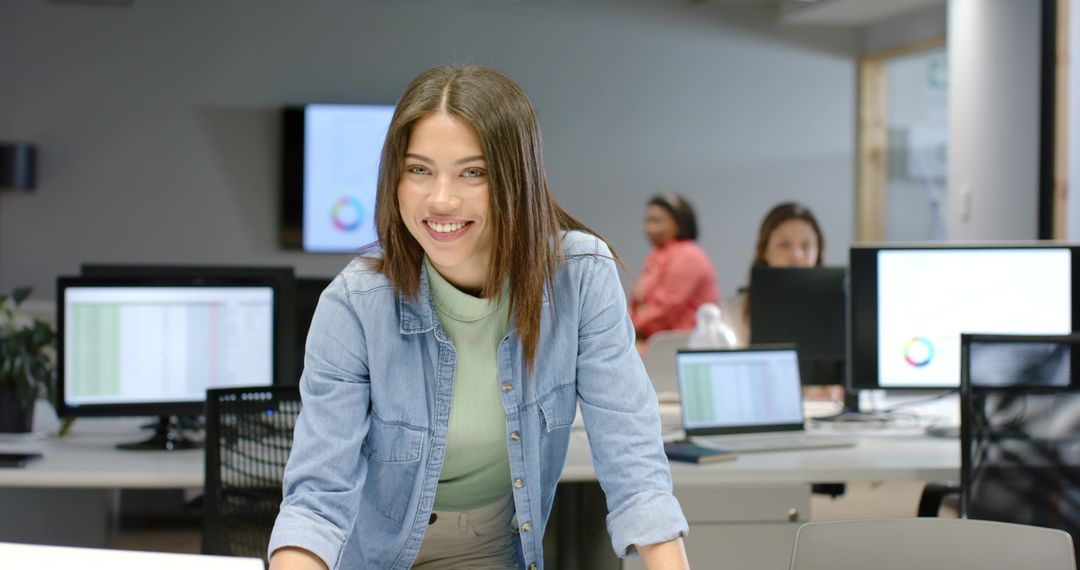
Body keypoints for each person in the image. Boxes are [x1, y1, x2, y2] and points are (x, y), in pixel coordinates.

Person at [268, 65, 689, 570]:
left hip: (491, 552)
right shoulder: (355, 304)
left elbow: (635, 467)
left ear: (517, 179)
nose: (441, 198)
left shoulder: (580, 278)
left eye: (474, 172)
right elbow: (317, 499)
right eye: (419, 169)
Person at [723, 201, 824, 347]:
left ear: (818, 251)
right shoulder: (734, 311)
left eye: (806, 245)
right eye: (784, 245)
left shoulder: (842, 310)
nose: (796, 255)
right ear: (764, 250)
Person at [629, 193, 720, 348]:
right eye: (647, 221)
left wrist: (627, 328)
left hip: (681, 346)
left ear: (679, 223)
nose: (648, 228)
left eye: (657, 221)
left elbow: (665, 310)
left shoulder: (688, 255)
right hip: (656, 343)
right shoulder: (658, 256)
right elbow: (638, 303)